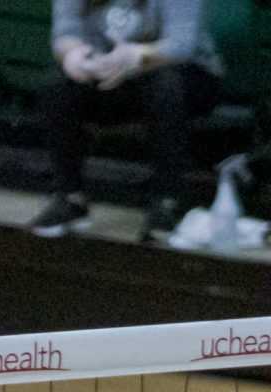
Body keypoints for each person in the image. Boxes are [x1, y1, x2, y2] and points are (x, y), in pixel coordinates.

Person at [30, 0, 222, 240]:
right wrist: (75, 55)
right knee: (57, 87)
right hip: (108, 68)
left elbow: (182, 44)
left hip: (182, 70)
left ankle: (167, 200)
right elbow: (65, 32)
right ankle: (70, 196)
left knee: (166, 88)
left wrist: (138, 56)